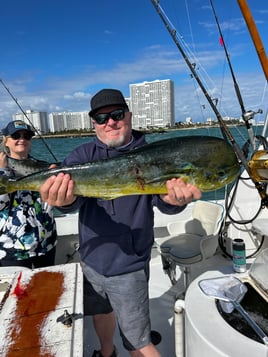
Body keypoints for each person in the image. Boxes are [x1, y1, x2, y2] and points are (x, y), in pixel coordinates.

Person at [40, 89, 202, 357]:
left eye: (116, 114)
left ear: (128, 116)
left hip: (129, 264)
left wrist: (175, 200)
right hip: (90, 259)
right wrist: (61, 199)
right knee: (101, 312)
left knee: (138, 342)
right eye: (101, 118)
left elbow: (162, 203)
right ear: (94, 123)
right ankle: (106, 353)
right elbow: (73, 203)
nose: (110, 122)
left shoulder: (153, 154)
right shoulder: (82, 156)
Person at [0, 120, 57, 268]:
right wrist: (3, 172)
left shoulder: (44, 166)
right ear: (6, 141)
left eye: (27, 136)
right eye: (16, 135)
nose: (22, 139)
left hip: (46, 245)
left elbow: (52, 201)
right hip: (12, 249)